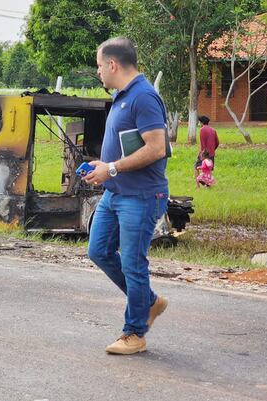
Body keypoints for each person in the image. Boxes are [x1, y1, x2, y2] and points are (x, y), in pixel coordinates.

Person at [82, 37, 170, 355]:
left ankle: (135, 332)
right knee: (99, 251)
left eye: (98, 65)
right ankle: (148, 302)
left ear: (113, 64)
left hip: (141, 196)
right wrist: (103, 168)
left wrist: (113, 169)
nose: (98, 72)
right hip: (116, 192)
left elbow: (157, 147)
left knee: (133, 264)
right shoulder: (123, 95)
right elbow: (126, 144)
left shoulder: (144, 97)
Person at [194, 115, 219, 183]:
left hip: (204, 153)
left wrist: (201, 153)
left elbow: (202, 143)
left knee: (196, 167)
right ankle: (208, 184)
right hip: (211, 153)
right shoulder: (213, 130)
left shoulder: (202, 129)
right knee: (208, 169)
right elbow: (217, 142)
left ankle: (198, 186)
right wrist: (212, 149)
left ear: (202, 122)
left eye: (199, 122)